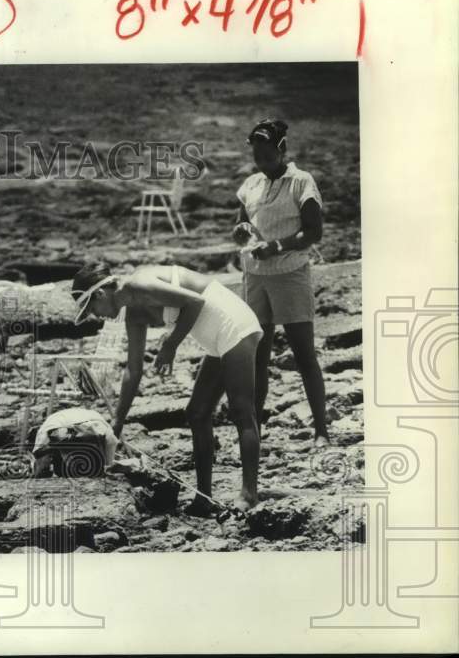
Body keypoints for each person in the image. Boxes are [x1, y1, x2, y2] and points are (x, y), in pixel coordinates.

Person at [71, 262, 263, 513]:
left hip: (232, 322)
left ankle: (249, 494)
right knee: (197, 412)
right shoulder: (133, 314)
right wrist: (117, 422)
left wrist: (170, 346)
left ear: (100, 294)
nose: (96, 316)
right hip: (214, 337)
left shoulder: (138, 284)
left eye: (92, 309)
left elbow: (195, 301)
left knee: (241, 410)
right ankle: (203, 499)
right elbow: (133, 370)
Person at [232, 118, 329, 448]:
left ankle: (321, 430)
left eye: (268, 155)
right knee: (257, 357)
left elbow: (313, 232)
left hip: (289, 275)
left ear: (282, 149)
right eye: (257, 156)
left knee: (304, 355)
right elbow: (242, 225)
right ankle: (254, 431)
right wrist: (242, 232)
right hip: (255, 277)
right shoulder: (251, 185)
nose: (262, 162)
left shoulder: (301, 182)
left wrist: (276, 246)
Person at [32, 407, 120, 478]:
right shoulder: (50, 432)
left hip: (86, 423)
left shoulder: (48, 431)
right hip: (74, 424)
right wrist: (108, 466)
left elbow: (40, 456)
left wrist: (108, 467)